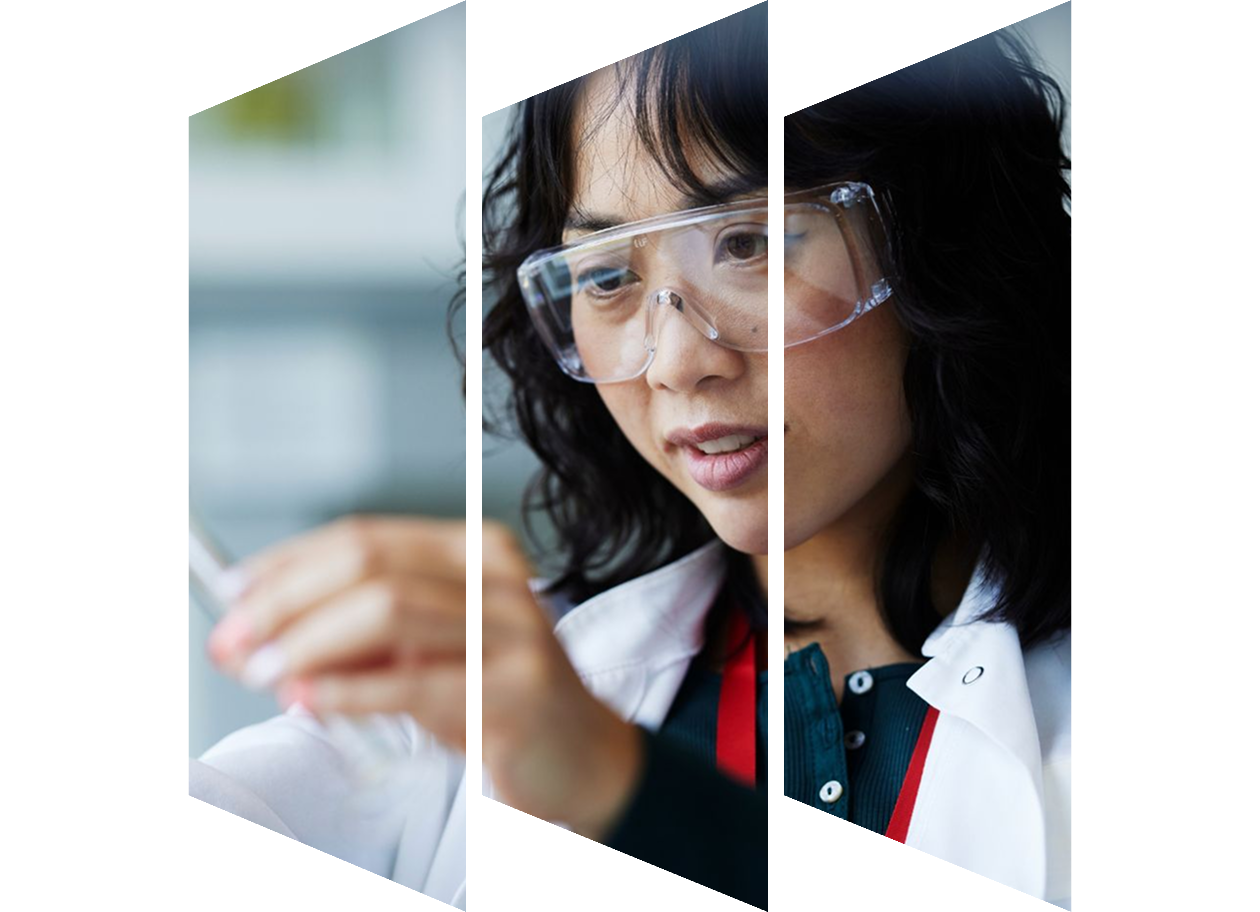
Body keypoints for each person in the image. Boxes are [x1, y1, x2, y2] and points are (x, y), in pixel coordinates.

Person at [190, 6, 1081, 911]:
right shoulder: (481, 711)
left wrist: (622, 790)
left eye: (751, 242)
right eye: (609, 276)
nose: (678, 360)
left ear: (942, 235)